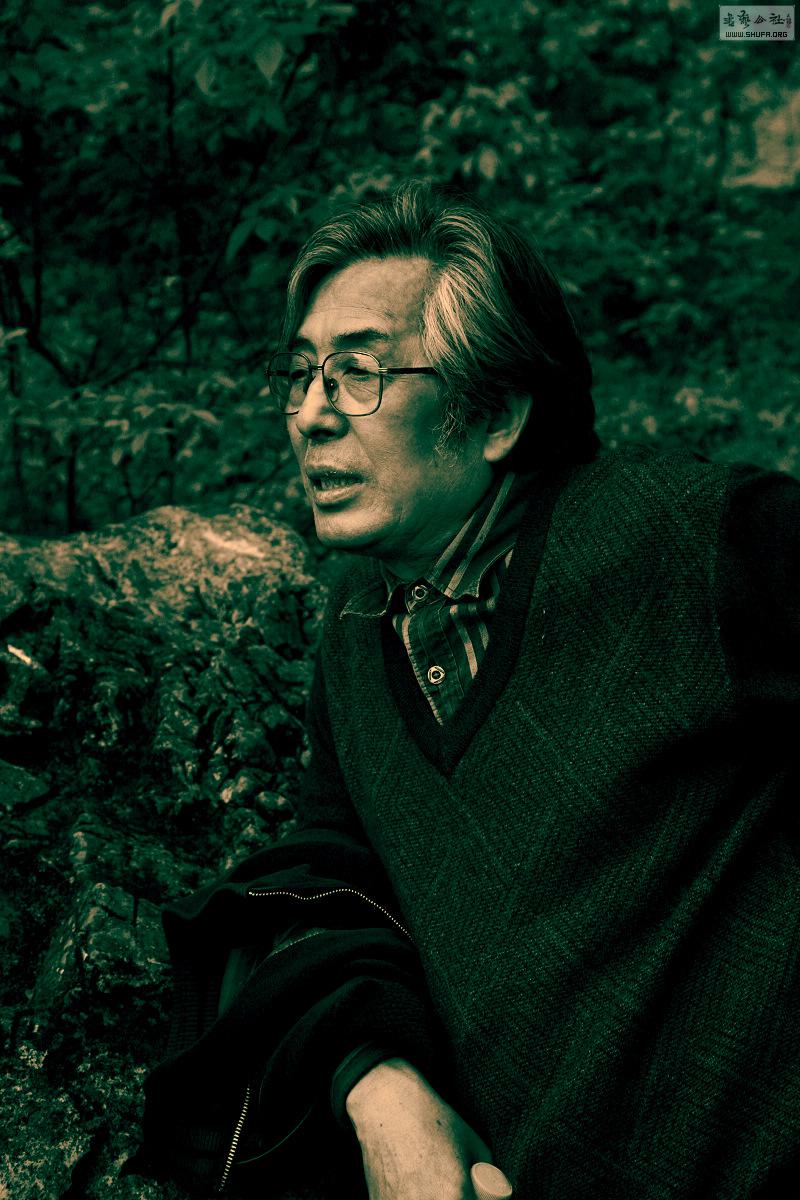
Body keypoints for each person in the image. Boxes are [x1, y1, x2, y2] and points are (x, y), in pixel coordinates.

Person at [134, 181, 800, 1200]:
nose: (309, 416)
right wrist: (376, 1085)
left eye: (359, 374)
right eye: (301, 374)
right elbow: (330, 882)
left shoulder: (697, 542)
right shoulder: (355, 629)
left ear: (493, 413)